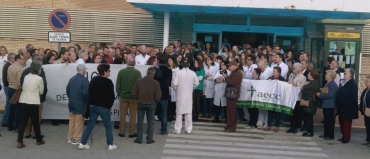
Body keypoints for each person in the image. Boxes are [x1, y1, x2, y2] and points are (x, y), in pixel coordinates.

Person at [78, 64, 116, 150]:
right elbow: (111, 96)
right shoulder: (108, 82)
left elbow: (89, 92)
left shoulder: (94, 79)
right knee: (108, 125)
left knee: (90, 125)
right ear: (105, 71)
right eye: (109, 70)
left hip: (93, 106)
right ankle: (110, 144)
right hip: (104, 107)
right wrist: (109, 105)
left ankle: (82, 143)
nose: (110, 72)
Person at [17, 62, 45, 148]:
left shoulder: (26, 76)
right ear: (38, 70)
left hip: (23, 100)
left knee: (23, 122)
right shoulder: (39, 79)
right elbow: (41, 91)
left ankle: (19, 141)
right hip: (33, 101)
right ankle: (39, 140)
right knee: (35, 122)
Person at [20, 56, 47, 139]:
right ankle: (35, 134)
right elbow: (43, 87)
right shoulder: (40, 72)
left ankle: (27, 133)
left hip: (25, 98)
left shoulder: (25, 71)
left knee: (27, 118)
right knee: (36, 117)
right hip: (36, 98)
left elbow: (21, 83)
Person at [132, 67, 162, 144]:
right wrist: (154, 100)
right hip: (151, 104)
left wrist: (138, 98)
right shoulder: (156, 83)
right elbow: (158, 95)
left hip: (141, 103)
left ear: (147, 72)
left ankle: (139, 138)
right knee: (150, 122)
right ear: (153, 74)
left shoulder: (139, 81)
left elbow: (134, 93)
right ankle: (149, 139)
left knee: (140, 121)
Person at [116, 58, 142, 138]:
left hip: (123, 96)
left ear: (126, 63)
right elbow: (139, 86)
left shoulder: (121, 72)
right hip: (133, 97)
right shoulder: (137, 73)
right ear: (134, 64)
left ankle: (122, 132)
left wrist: (119, 93)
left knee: (122, 115)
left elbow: (118, 85)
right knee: (133, 115)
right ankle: (131, 132)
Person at [172, 59, 199, 134]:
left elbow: (174, 83)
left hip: (180, 94)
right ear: (189, 65)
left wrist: (176, 89)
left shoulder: (178, 72)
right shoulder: (193, 73)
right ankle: (188, 128)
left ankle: (178, 129)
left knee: (179, 112)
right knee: (188, 112)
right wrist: (191, 87)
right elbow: (197, 83)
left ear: (182, 64)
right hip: (189, 95)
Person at [66, 64, 89, 144]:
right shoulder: (84, 80)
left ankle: (70, 137)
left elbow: (68, 91)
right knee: (79, 122)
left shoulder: (72, 79)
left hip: (72, 103)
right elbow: (85, 93)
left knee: (72, 121)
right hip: (80, 104)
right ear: (84, 71)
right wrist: (87, 101)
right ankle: (76, 139)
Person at [336, 68, 358, 143]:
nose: (344, 75)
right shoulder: (343, 82)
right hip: (341, 106)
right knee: (341, 122)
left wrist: (347, 104)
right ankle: (343, 136)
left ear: (350, 75)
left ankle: (346, 138)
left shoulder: (353, 84)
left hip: (348, 107)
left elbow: (353, 97)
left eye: (345, 73)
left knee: (346, 123)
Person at [153, 54, 172, 135]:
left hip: (155, 93)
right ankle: (163, 130)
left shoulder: (154, 69)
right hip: (164, 93)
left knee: (152, 112)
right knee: (164, 113)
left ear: (158, 60)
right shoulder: (169, 70)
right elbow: (170, 82)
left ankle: (150, 128)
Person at [317, 70, 339, 140]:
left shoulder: (333, 84)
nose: (325, 76)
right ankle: (326, 133)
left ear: (331, 76)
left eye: (327, 75)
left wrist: (321, 95)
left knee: (329, 121)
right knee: (326, 120)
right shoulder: (327, 83)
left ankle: (330, 135)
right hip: (326, 104)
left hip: (330, 105)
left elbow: (330, 94)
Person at [286, 63, 307, 134]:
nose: (293, 69)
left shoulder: (302, 77)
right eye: (293, 68)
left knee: (297, 113)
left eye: (294, 68)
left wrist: (297, 84)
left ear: (299, 69)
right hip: (291, 97)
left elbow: (303, 87)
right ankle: (291, 126)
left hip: (298, 98)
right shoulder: (291, 75)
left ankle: (296, 126)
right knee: (291, 113)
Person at [7, 54, 25, 131]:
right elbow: (20, 81)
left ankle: (9, 125)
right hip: (17, 89)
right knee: (18, 109)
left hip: (10, 87)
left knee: (11, 108)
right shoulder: (20, 69)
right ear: (18, 59)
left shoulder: (10, 66)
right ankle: (17, 126)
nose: (24, 60)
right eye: (22, 59)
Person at [264, 67, 285, 132]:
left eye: (275, 71)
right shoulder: (270, 78)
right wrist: (268, 82)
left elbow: (284, 88)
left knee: (277, 113)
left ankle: (277, 126)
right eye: (273, 71)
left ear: (279, 72)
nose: (273, 72)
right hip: (271, 97)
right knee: (270, 112)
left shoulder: (282, 79)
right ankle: (269, 125)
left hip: (278, 98)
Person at [224, 61, 243, 132]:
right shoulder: (234, 73)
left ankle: (232, 127)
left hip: (233, 94)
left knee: (231, 111)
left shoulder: (238, 74)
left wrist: (226, 77)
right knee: (229, 111)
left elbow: (232, 82)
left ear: (235, 66)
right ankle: (229, 125)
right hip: (231, 93)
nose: (229, 67)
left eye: (230, 66)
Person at [301, 69, 320, 137]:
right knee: (307, 117)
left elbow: (305, 90)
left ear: (312, 75)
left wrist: (304, 86)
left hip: (311, 103)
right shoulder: (311, 82)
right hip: (309, 102)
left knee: (309, 118)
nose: (307, 75)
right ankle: (308, 130)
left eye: (309, 74)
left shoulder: (313, 83)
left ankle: (310, 132)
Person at [256, 61, 272, 127]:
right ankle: (260, 121)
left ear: (264, 65)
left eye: (261, 68)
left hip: (268, 92)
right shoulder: (262, 72)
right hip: (261, 91)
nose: (260, 70)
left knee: (266, 108)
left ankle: (266, 122)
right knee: (261, 107)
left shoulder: (270, 71)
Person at [1, 53, 15, 127]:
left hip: (7, 86)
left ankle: (6, 120)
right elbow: (7, 78)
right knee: (9, 104)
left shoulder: (7, 65)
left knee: (9, 104)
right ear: (10, 59)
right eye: (14, 58)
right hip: (8, 86)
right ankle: (5, 120)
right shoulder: (8, 66)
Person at [168, 57, 180, 122]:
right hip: (168, 86)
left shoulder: (177, 69)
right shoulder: (167, 68)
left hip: (174, 86)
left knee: (174, 101)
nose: (169, 62)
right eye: (168, 60)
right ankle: (169, 114)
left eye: (170, 60)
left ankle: (172, 114)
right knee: (169, 100)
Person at [360, 75, 370, 146]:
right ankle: (368, 139)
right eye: (366, 81)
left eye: (367, 81)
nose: (366, 82)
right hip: (366, 111)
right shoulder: (366, 90)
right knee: (367, 125)